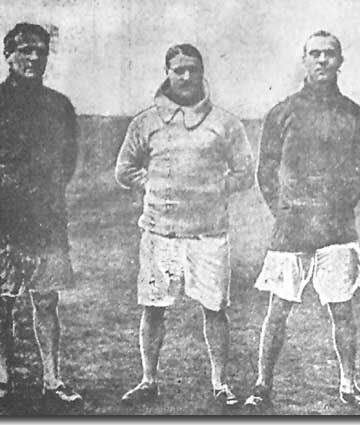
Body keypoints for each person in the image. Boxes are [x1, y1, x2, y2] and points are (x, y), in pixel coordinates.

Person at [115, 43, 254, 408]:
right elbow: (124, 169)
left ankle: (220, 383)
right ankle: (148, 380)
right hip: (160, 232)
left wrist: (214, 187)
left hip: (209, 234)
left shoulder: (225, 122)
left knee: (215, 309)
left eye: (193, 68)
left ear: (202, 71)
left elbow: (245, 173)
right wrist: (155, 184)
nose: (187, 76)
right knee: (153, 307)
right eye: (179, 70)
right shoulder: (145, 122)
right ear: (168, 72)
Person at [244, 30, 360, 411]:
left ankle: (349, 383)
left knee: (343, 309)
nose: (322, 60)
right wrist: (284, 209)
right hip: (292, 228)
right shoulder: (282, 112)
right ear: (303, 60)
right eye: (314, 54)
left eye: (329, 54)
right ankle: (262, 384)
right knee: (277, 311)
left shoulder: (354, 114)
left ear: (340, 60)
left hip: (335, 228)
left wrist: (334, 207)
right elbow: (266, 171)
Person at [0, 23, 82, 405]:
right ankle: (3, 375)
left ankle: (52, 377)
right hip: (1, 220)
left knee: (46, 301)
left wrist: (45, 195)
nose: (33, 58)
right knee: (1, 300)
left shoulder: (59, 105)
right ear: (8, 55)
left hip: (45, 220)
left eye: (40, 51)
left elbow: (69, 160)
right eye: (25, 50)